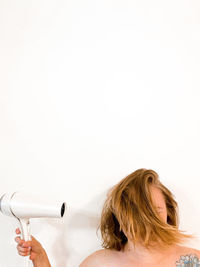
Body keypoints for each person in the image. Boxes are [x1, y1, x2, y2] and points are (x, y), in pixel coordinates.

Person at [15, 169, 200, 267]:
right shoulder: (100, 263)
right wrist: (40, 259)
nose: (147, 222)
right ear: (119, 219)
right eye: (137, 213)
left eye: (156, 211)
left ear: (168, 214)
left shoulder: (193, 260)